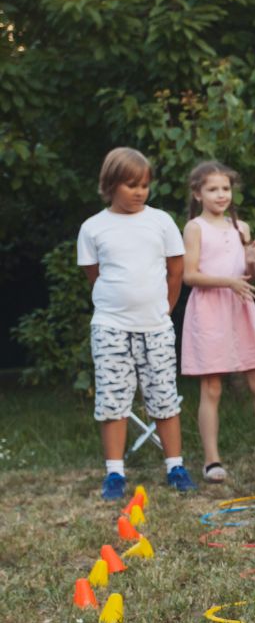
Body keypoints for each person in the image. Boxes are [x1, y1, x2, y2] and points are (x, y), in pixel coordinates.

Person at [77, 147, 196, 499]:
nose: (140, 192)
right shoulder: (93, 228)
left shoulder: (160, 222)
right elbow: (94, 275)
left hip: (156, 328)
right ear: (111, 184)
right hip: (111, 328)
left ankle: (175, 465)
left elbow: (175, 271)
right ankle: (115, 473)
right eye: (131, 185)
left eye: (144, 185)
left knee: (163, 395)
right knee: (113, 399)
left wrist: (164, 309)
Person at [181, 161, 255, 482]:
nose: (221, 195)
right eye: (212, 189)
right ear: (198, 194)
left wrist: (250, 265)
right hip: (210, 310)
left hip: (240, 307)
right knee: (211, 386)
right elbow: (190, 275)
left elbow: (249, 276)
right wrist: (230, 281)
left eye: (225, 188)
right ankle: (212, 461)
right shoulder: (195, 228)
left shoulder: (242, 228)